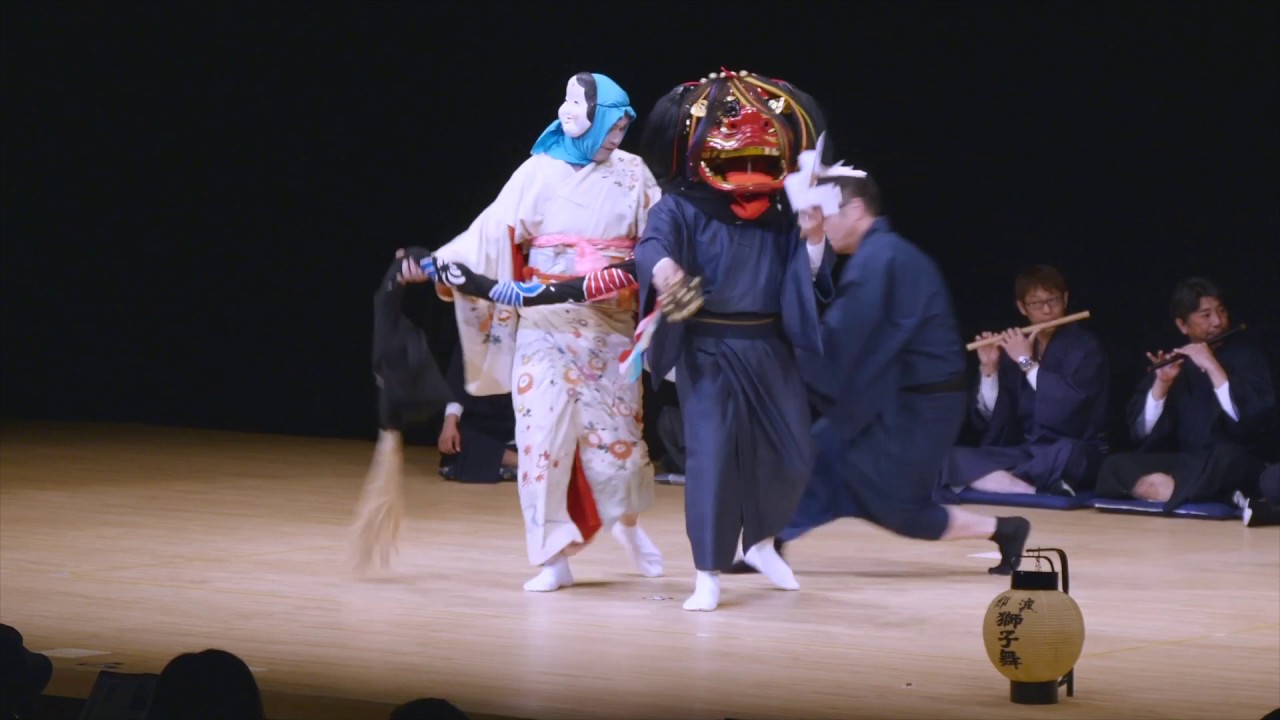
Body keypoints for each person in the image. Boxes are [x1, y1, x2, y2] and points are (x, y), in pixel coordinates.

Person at [399, 72, 664, 591]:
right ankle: (552, 560)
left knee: (618, 440)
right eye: (611, 127)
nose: (617, 138)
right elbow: (489, 234)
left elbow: (657, 239)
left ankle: (627, 525)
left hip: (608, 326)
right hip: (543, 328)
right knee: (540, 439)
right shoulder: (536, 173)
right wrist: (435, 264)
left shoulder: (634, 173)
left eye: (621, 128)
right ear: (580, 118)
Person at [634, 70, 835, 611]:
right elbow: (651, 245)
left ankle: (764, 542)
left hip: (769, 346)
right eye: (734, 160)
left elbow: (808, 272)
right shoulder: (680, 207)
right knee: (713, 460)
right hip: (709, 349)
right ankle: (707, 573)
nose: (748, 172)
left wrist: (815, 238)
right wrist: (666, 271)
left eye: (760, 160)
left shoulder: (782, 212)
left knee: (793, 453)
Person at [776, 162, 1031, 576]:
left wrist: (791, 356)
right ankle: (769, 543)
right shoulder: (881, 255)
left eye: (825, 214)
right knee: (819, 454)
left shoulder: (882, 259)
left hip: (920, 409)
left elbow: (841, 340)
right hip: (894, 398)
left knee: (896, 508)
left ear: (855, 209)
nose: (818, 225)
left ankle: (1005, 529)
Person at [1095, 278, 1277, 509]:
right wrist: (1162, 385)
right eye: (1206, 315)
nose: (1218, 322)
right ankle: (1197, 491)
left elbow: (1252, 421)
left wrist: (1213, 367)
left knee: (1229, 458)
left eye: (1221, 312)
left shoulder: (1248, 357)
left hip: (1227, 460)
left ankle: (1165, 490)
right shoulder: (1177, 362)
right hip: (1186, 463)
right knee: (1115, 464)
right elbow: (1141, 432)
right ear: (1183, 325)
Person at [940, 265, 1109, 496]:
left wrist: (1026, 362)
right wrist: (990, 369)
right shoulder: (1015, 352)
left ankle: (1000, 480)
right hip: (1029, 451)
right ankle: (1030, 488)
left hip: (1072, 447)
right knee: (953, 456)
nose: (1047, 310)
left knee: (1068, 454)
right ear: (1022, 307)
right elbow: (994, 419)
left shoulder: (1085, 347)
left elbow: (1070, 408)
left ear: (1066, 299)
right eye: (1037, 304)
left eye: (1054, 300)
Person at [437, 346, 517, 483]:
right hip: (478, 424)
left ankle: (500, 462)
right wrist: (449, 423)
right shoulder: (468, 341)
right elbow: (455, 388)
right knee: (457, 442)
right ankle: (519, 462)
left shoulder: (520, 341)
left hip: (513, 423)